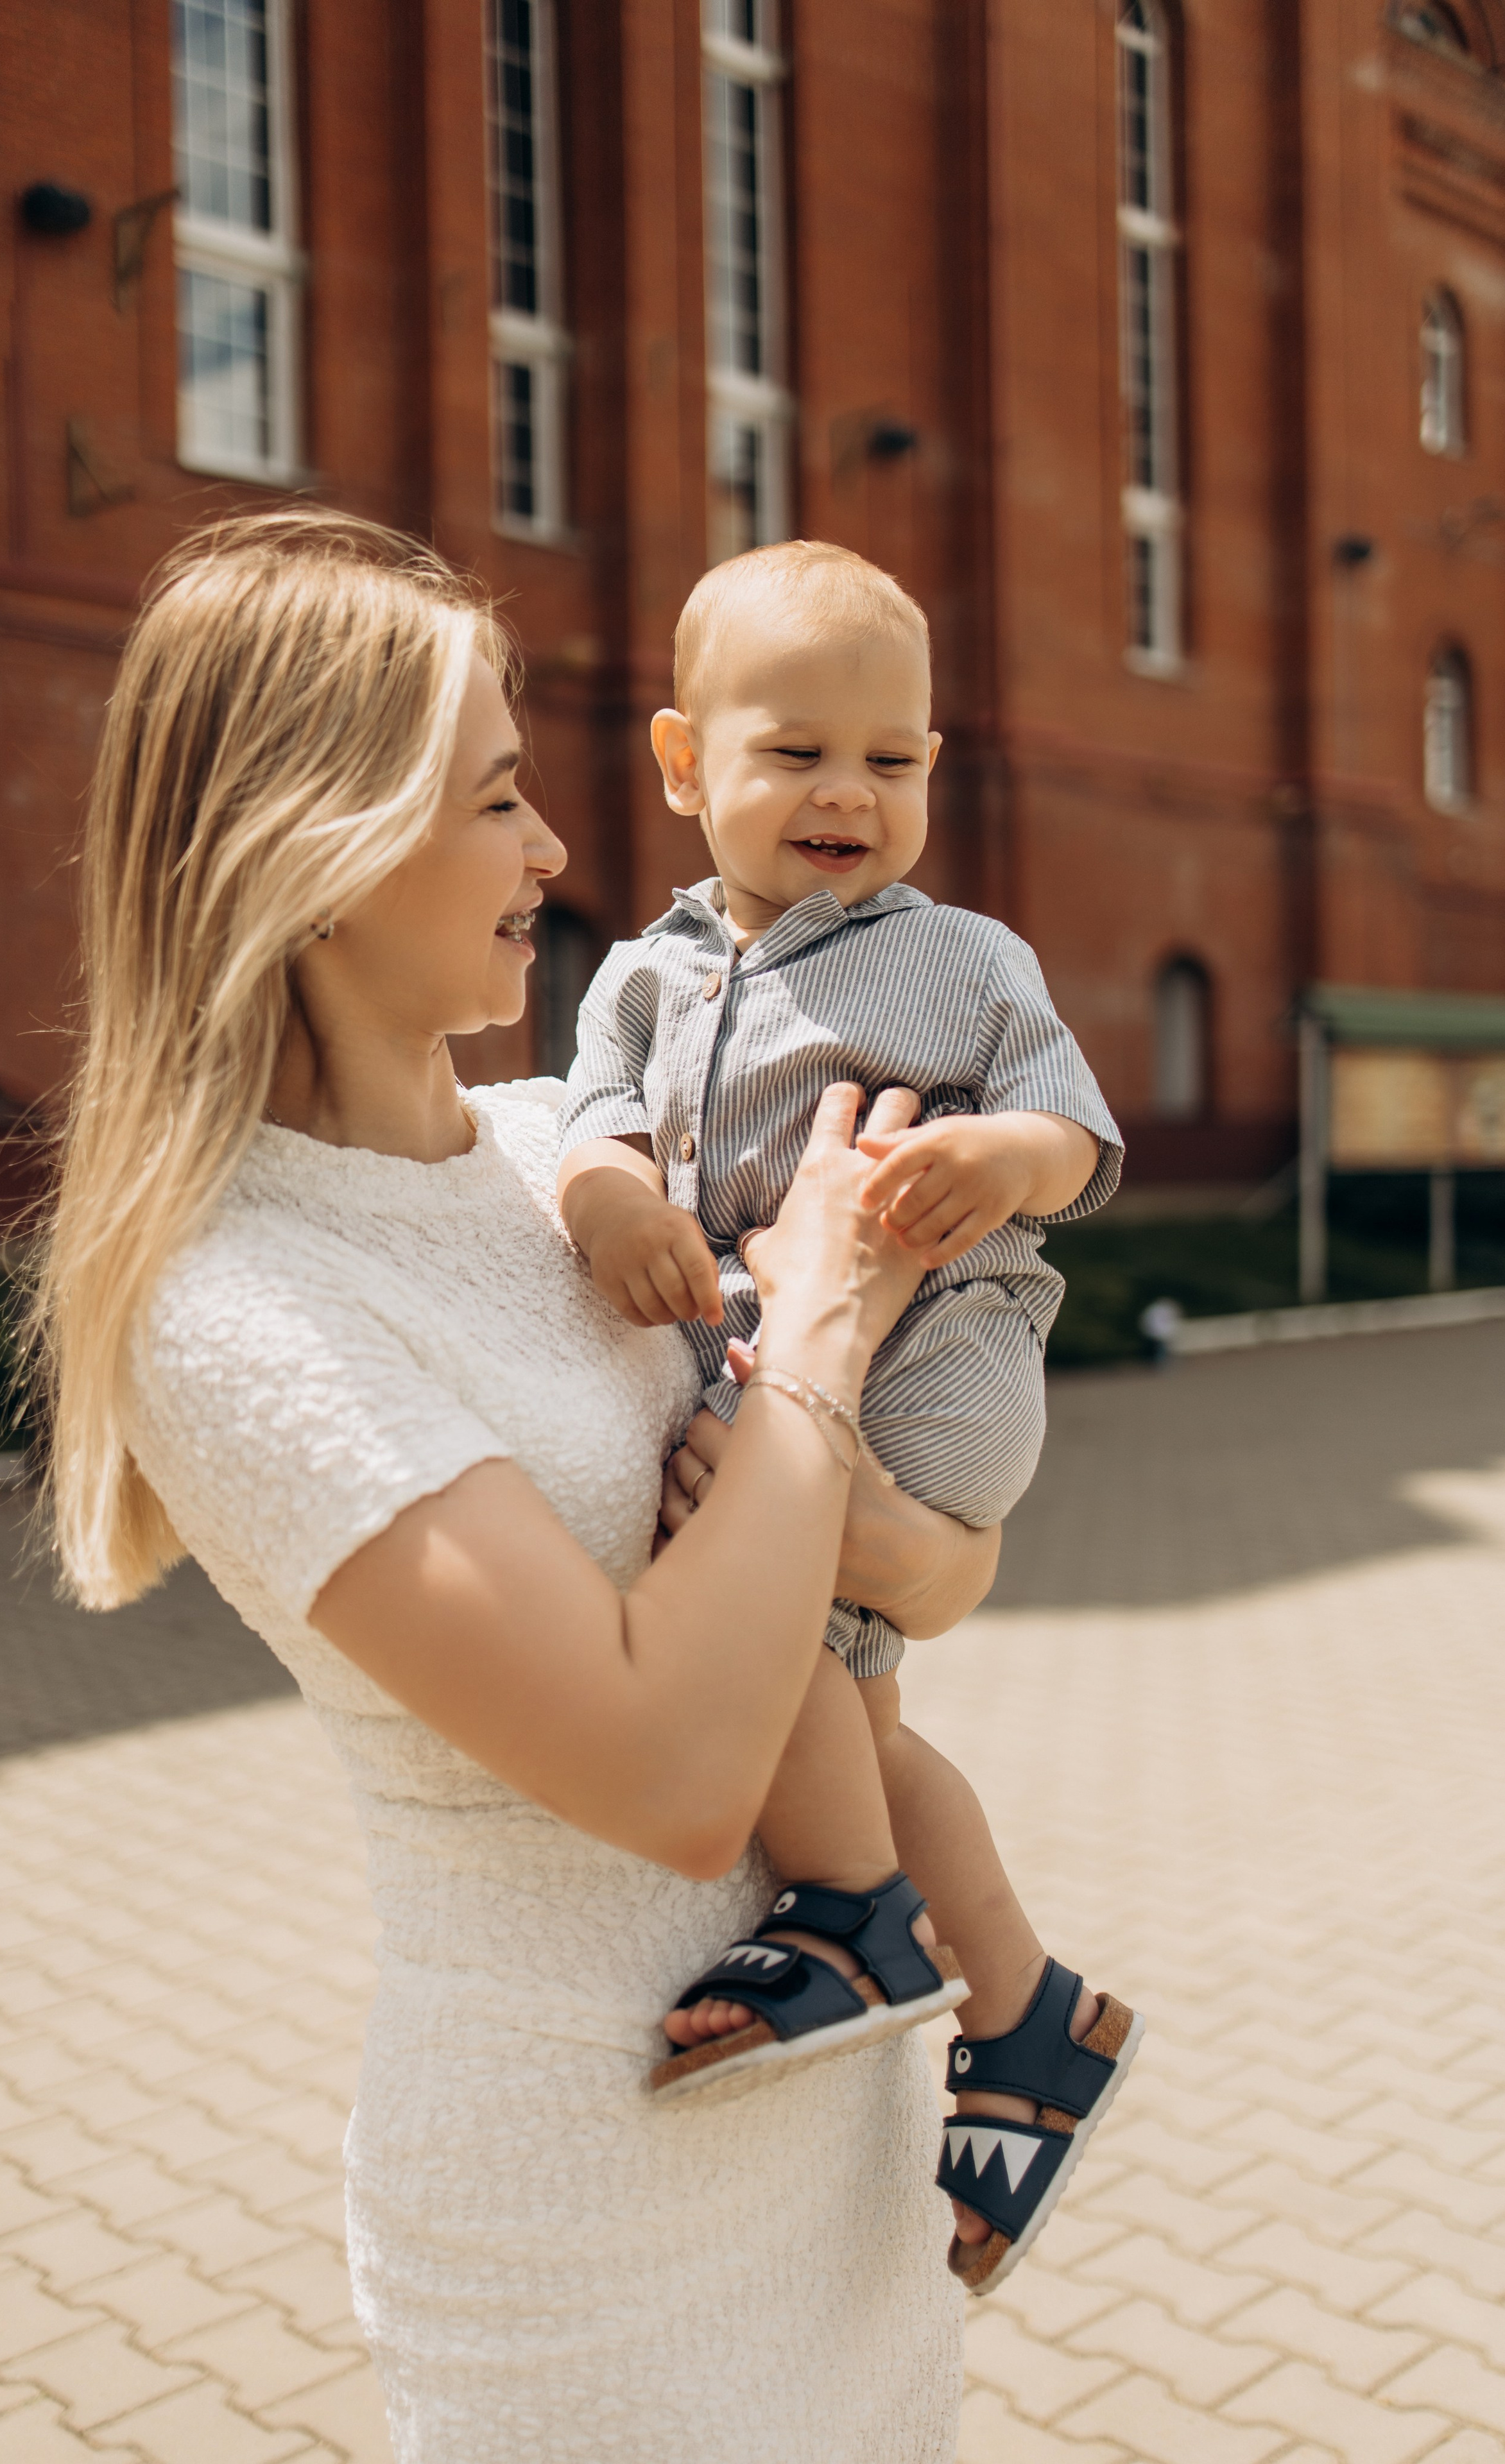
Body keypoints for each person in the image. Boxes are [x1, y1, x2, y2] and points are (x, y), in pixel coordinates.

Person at [22, 509, 1004, 2462]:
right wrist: (814, 1327)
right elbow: (666, 1777)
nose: (556, 853)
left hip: (840, 2154)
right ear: (314, 853)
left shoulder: (572, 1146)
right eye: (493, 799)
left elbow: (932, 1579)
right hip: (592, 2205)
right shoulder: (235, 1303)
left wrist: (889, 1504)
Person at [556, 540, 1143, 2293]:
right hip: (788, 1376)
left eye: (890, 762)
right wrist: (609, 1204)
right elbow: (595, 1122)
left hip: (941, 1368)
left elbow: (1080, 1136)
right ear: (682, 763)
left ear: (934, 775)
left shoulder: (962, 960)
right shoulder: (643, 980)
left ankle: (858, 1918)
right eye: (796, 750)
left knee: (767, 1597)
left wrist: (999, 1155)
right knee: (862, 1728)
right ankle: (1033, 2014)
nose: (847, 794)